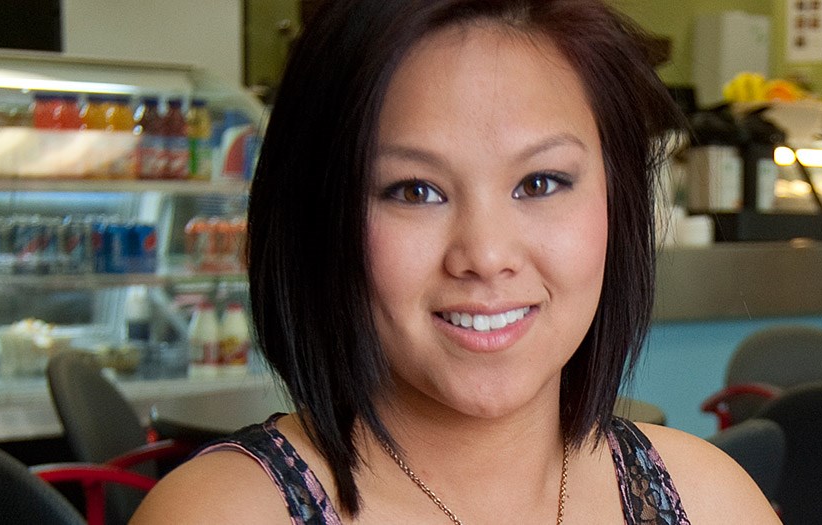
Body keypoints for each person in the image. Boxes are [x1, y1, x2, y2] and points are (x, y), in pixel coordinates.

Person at [133, 0, 777, 523]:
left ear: (618, 203)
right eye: (415, 191)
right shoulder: (220, 514)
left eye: (542, 182)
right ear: (317, 221)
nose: (487, 256)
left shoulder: (712, 502)